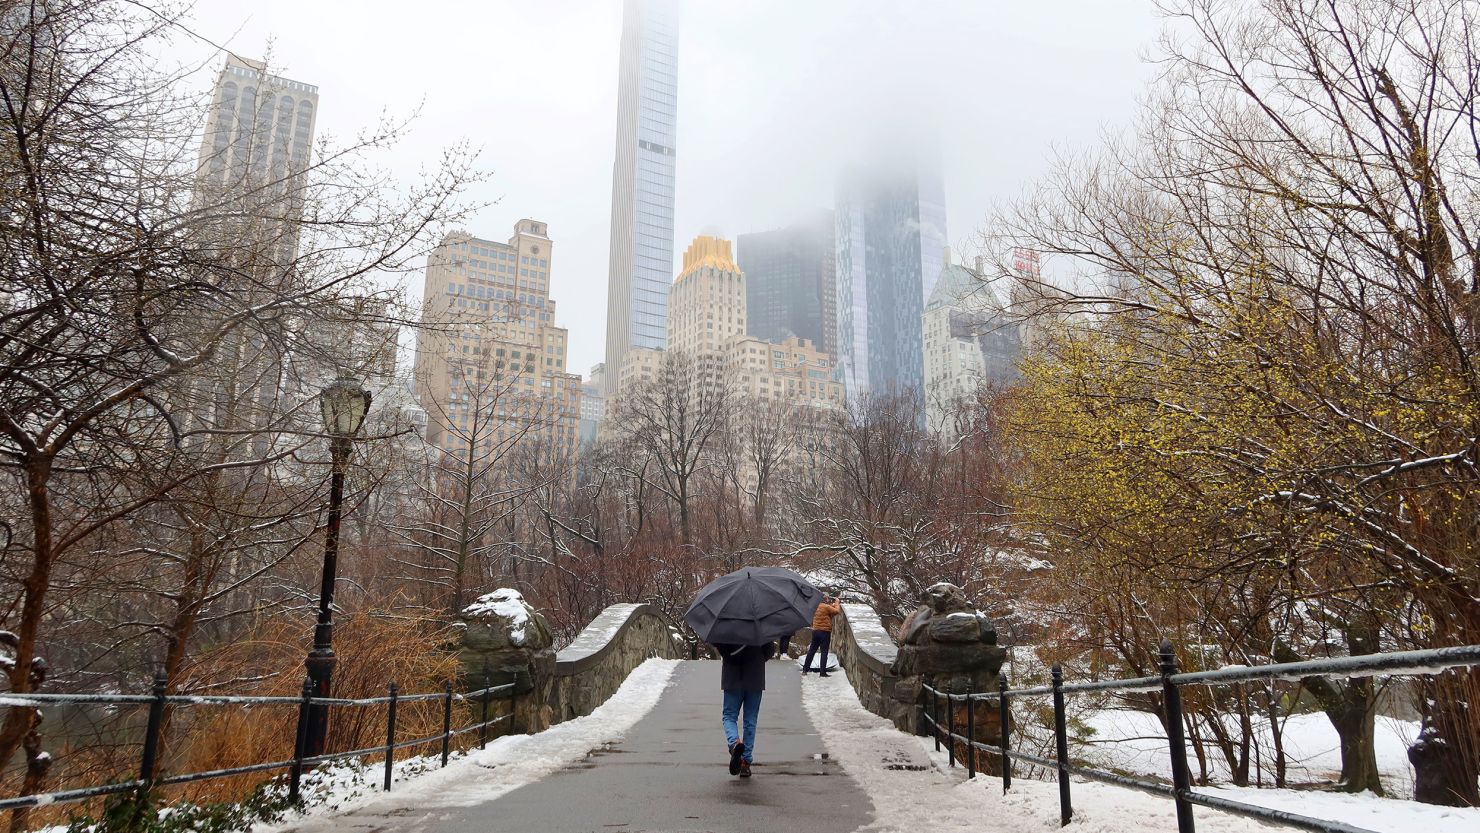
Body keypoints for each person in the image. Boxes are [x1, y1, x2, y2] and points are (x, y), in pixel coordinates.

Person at [711, 641, 775, 777]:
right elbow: (769, 650)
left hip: (732, 676)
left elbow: (719, 644)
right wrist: (757, 658)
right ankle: (745, 762)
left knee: (729, 716)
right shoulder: (760, 628)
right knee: (750, 720)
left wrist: (730, 655)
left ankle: (734, 743)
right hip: (755, 676)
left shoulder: (727, 628)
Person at [803, 596, 843, 676]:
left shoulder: (815, 607)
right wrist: (837, 602)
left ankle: (805, 670)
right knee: (824, 652)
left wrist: (832, 605)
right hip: (825, 632)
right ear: (825, 600)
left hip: (815, 631)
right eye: (827, 598)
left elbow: (827, 612)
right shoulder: (826, 607)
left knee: (812, 651)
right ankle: (822, 672)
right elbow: (836, 611)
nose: (828, 599)